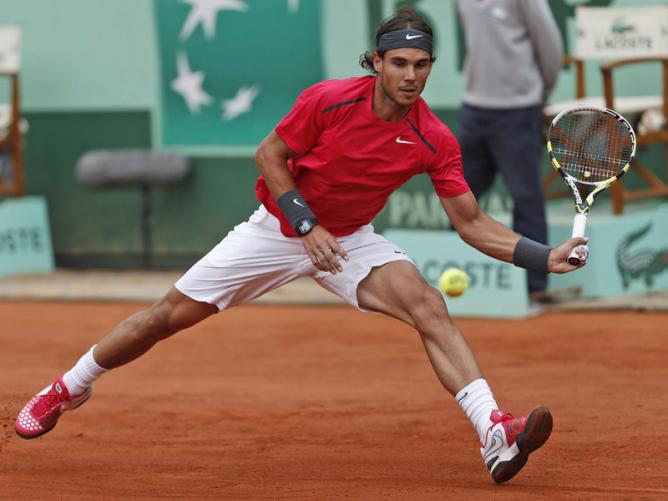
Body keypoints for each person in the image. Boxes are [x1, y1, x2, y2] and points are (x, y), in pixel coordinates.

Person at [15, 8, 587, 484]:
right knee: (162, 319)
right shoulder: (329, 100)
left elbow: (473, 223)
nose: (410, 76)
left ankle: (494, 431)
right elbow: (270, 155)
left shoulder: (432, 139)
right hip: (278, 229)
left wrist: (543, 256)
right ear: (377, 62)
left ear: (431, 68)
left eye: (421, 65)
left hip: (350, 240)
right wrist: (307, 225)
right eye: (399, 63)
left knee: (428, 304)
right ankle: (68, 387)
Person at [455, 0, 564, 298]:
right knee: (458, 198)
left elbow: (550, 45)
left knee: (526, 198)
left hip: (518, 110)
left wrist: (538, 92)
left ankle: (534, 288)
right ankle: (459, 281)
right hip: (474, 109)